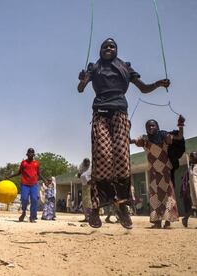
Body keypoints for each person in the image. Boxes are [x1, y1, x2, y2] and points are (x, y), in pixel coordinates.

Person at [77, 38, 170, 229]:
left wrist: (159, 84)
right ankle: (96, 208)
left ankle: (122, 206)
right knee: (103, 156)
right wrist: (82, 79)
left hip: (120, 114)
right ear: (100, 50)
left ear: (116, 50)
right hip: (100, 114)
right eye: (105, 46)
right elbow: (80, 89)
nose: (108, 48)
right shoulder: (94, 67)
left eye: (112, 46)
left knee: (121, 160)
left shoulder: (125, 67)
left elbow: (143, 88)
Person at [132, 115, 184, 228]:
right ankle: (157, 222)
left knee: (168, 195)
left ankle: (168, 221)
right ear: (146, 128)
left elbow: (179, 137)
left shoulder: (164, 135)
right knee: (154, 196)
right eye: (148, 126)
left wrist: (180, 125)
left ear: (157, 126)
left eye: (153, 125)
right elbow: (132, 141)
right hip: (153, 172)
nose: (151, 127)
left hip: (165, 171)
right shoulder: (144, 139)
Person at [8, 148, 46, 223]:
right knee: (24, 199)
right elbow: (19, 172)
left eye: (32, 153)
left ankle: (32, 217)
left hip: (34, 185)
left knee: (34, 200)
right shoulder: (23, 163)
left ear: (34, 155)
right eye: (29, 153)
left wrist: (44, 180)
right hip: (24, 184)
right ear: (27, 154)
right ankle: (24, 212)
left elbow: (38, 173)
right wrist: (10, 176)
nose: (31, 154)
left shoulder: (36, 163)